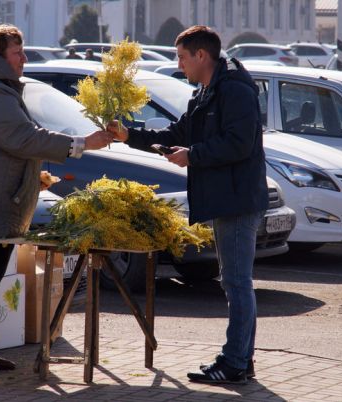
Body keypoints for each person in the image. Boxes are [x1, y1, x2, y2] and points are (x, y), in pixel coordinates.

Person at [0, 24, 113, 376]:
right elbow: (22, 139)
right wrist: (81, 144)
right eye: (18, 53)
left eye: (23, 51)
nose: (24, 59)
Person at [107, 25, 268, 385]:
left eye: (181, 57)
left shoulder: (234, 90)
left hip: (238, 201)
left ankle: (235, 362)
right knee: (236, 282)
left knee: (236, 283)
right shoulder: (207, 91)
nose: (178, 64)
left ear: (201, 55)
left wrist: (193, 156)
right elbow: (179, 133)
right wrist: (129, 135)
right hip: (227, 199)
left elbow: (239, 144)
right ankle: (240, 359)